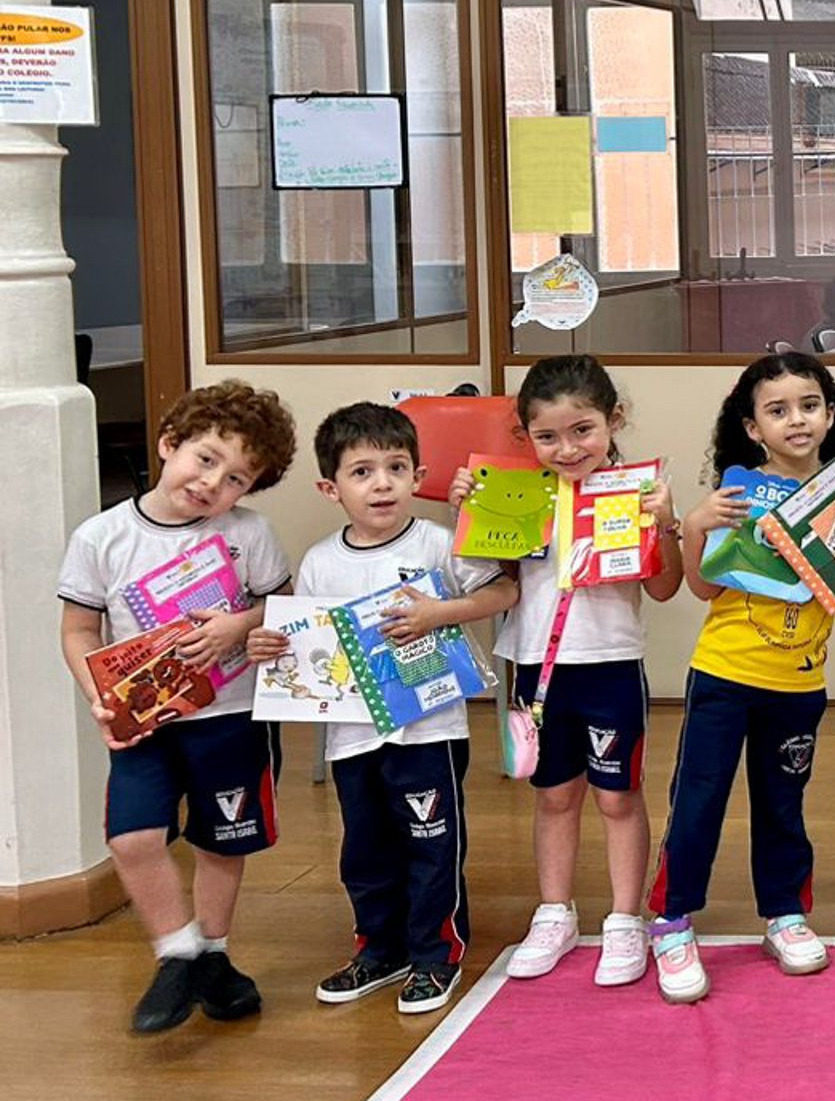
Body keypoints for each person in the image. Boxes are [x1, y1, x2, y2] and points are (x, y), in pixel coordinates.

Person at [253, 402, 514, 1018]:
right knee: (365, 849)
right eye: (362, 472)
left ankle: (435, 953)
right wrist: (270, 645)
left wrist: (437, 613)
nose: (382, 484)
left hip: (430, 730)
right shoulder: (320, 561)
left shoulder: (437, 542)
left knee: (431, 843)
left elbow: (503, 590)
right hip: (352, 736)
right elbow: (306, 641)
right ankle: (379, 948)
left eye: (396, 468)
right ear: (331, 488)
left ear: (417, 475)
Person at [648, 353, 835, 1003]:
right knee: (698, 800)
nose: (796, 420)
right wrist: (693, 527)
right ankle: (672, 920)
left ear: (830, 414)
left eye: (809, 406)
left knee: (783, 803)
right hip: (724, 675)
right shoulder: (736, 494)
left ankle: (784, 913)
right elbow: (703, 589)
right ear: (753, 428)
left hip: (800, 684)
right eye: (777, 411)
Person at [57, 380, 297, 1035]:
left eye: (236, 478)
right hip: (144, 725)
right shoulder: (101, 537)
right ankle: (178, 953)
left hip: (232, 716)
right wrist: (100, 697)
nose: (212, 482)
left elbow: (284, 604)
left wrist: (237, 626)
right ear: (169, 444)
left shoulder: (249, 534)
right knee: (132, 838)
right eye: (205, 458)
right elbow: (78, 630)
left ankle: (214, 955)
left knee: (223, 838)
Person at [482, 357, 686, 989]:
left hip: (610, 667)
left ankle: (625, 918)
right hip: (537, 669)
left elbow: (665, 588)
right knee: (553, 795)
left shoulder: (637, 492)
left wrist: (665, 524)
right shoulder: (518, 494)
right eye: (547, 436)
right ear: (525, 436)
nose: (567, 449)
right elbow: (498, 581)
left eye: (582, 431)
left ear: (613, 420)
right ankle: (554, 913)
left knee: (618, 796)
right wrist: (475, 513)